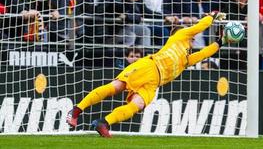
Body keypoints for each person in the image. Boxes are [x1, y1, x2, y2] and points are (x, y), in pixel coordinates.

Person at [66, 13, 227, 138]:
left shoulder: (186, 59)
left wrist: (221, 41)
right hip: (149, 66)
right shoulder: (179, 36)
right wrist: (211, 16)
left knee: (136, 106)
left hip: (153, 84)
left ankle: (103, 123)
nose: (193, 39)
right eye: (190, 36)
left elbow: (205, 53)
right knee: (117, 87)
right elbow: (199, 27)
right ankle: (76, 110)